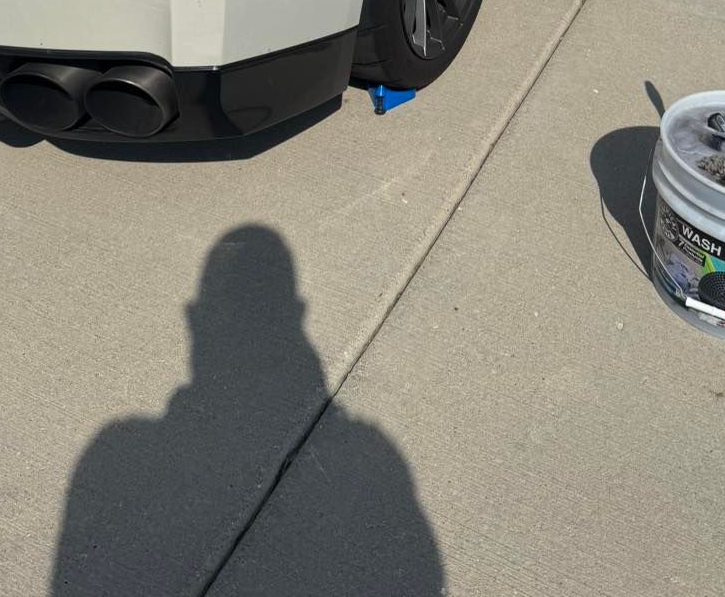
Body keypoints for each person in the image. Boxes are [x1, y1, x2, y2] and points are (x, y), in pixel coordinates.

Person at [50, 225, 443, 596]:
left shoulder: (115, 450)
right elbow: (423, 573)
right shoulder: (372, 454)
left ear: (195, 320)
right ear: (297, 313)